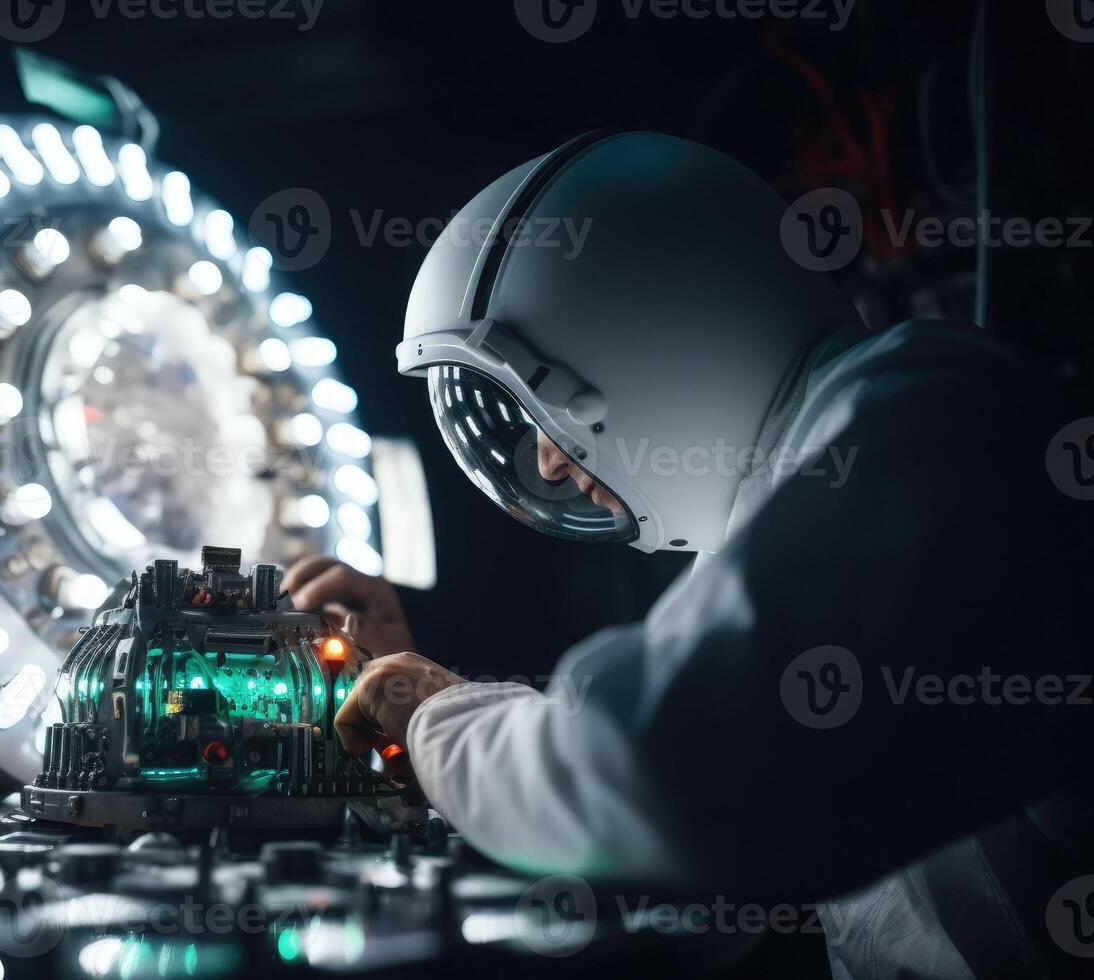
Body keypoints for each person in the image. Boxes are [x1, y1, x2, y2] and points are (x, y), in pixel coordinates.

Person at [286, 132, 1094, 979]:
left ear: (641, 334)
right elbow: (648, 751)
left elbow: (668, 778)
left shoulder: (932, 417)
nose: (549, 462)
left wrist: (434, 719)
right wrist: (414, 693)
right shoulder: (827, 467)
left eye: (539, 407)